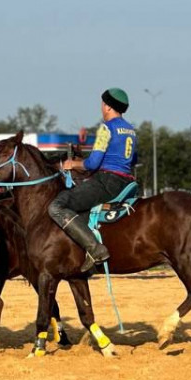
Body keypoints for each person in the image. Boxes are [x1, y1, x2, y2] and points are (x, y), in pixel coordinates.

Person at [48, 88, 137, 267]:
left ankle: (95, 249)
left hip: (107, 181)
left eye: (102, 104)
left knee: (56, 207)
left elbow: (93, 164)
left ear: (108, 106)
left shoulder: (106, 128)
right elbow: (133, 159)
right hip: (126, 182)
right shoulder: (130, 130)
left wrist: (72, 164)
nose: (101, 108)